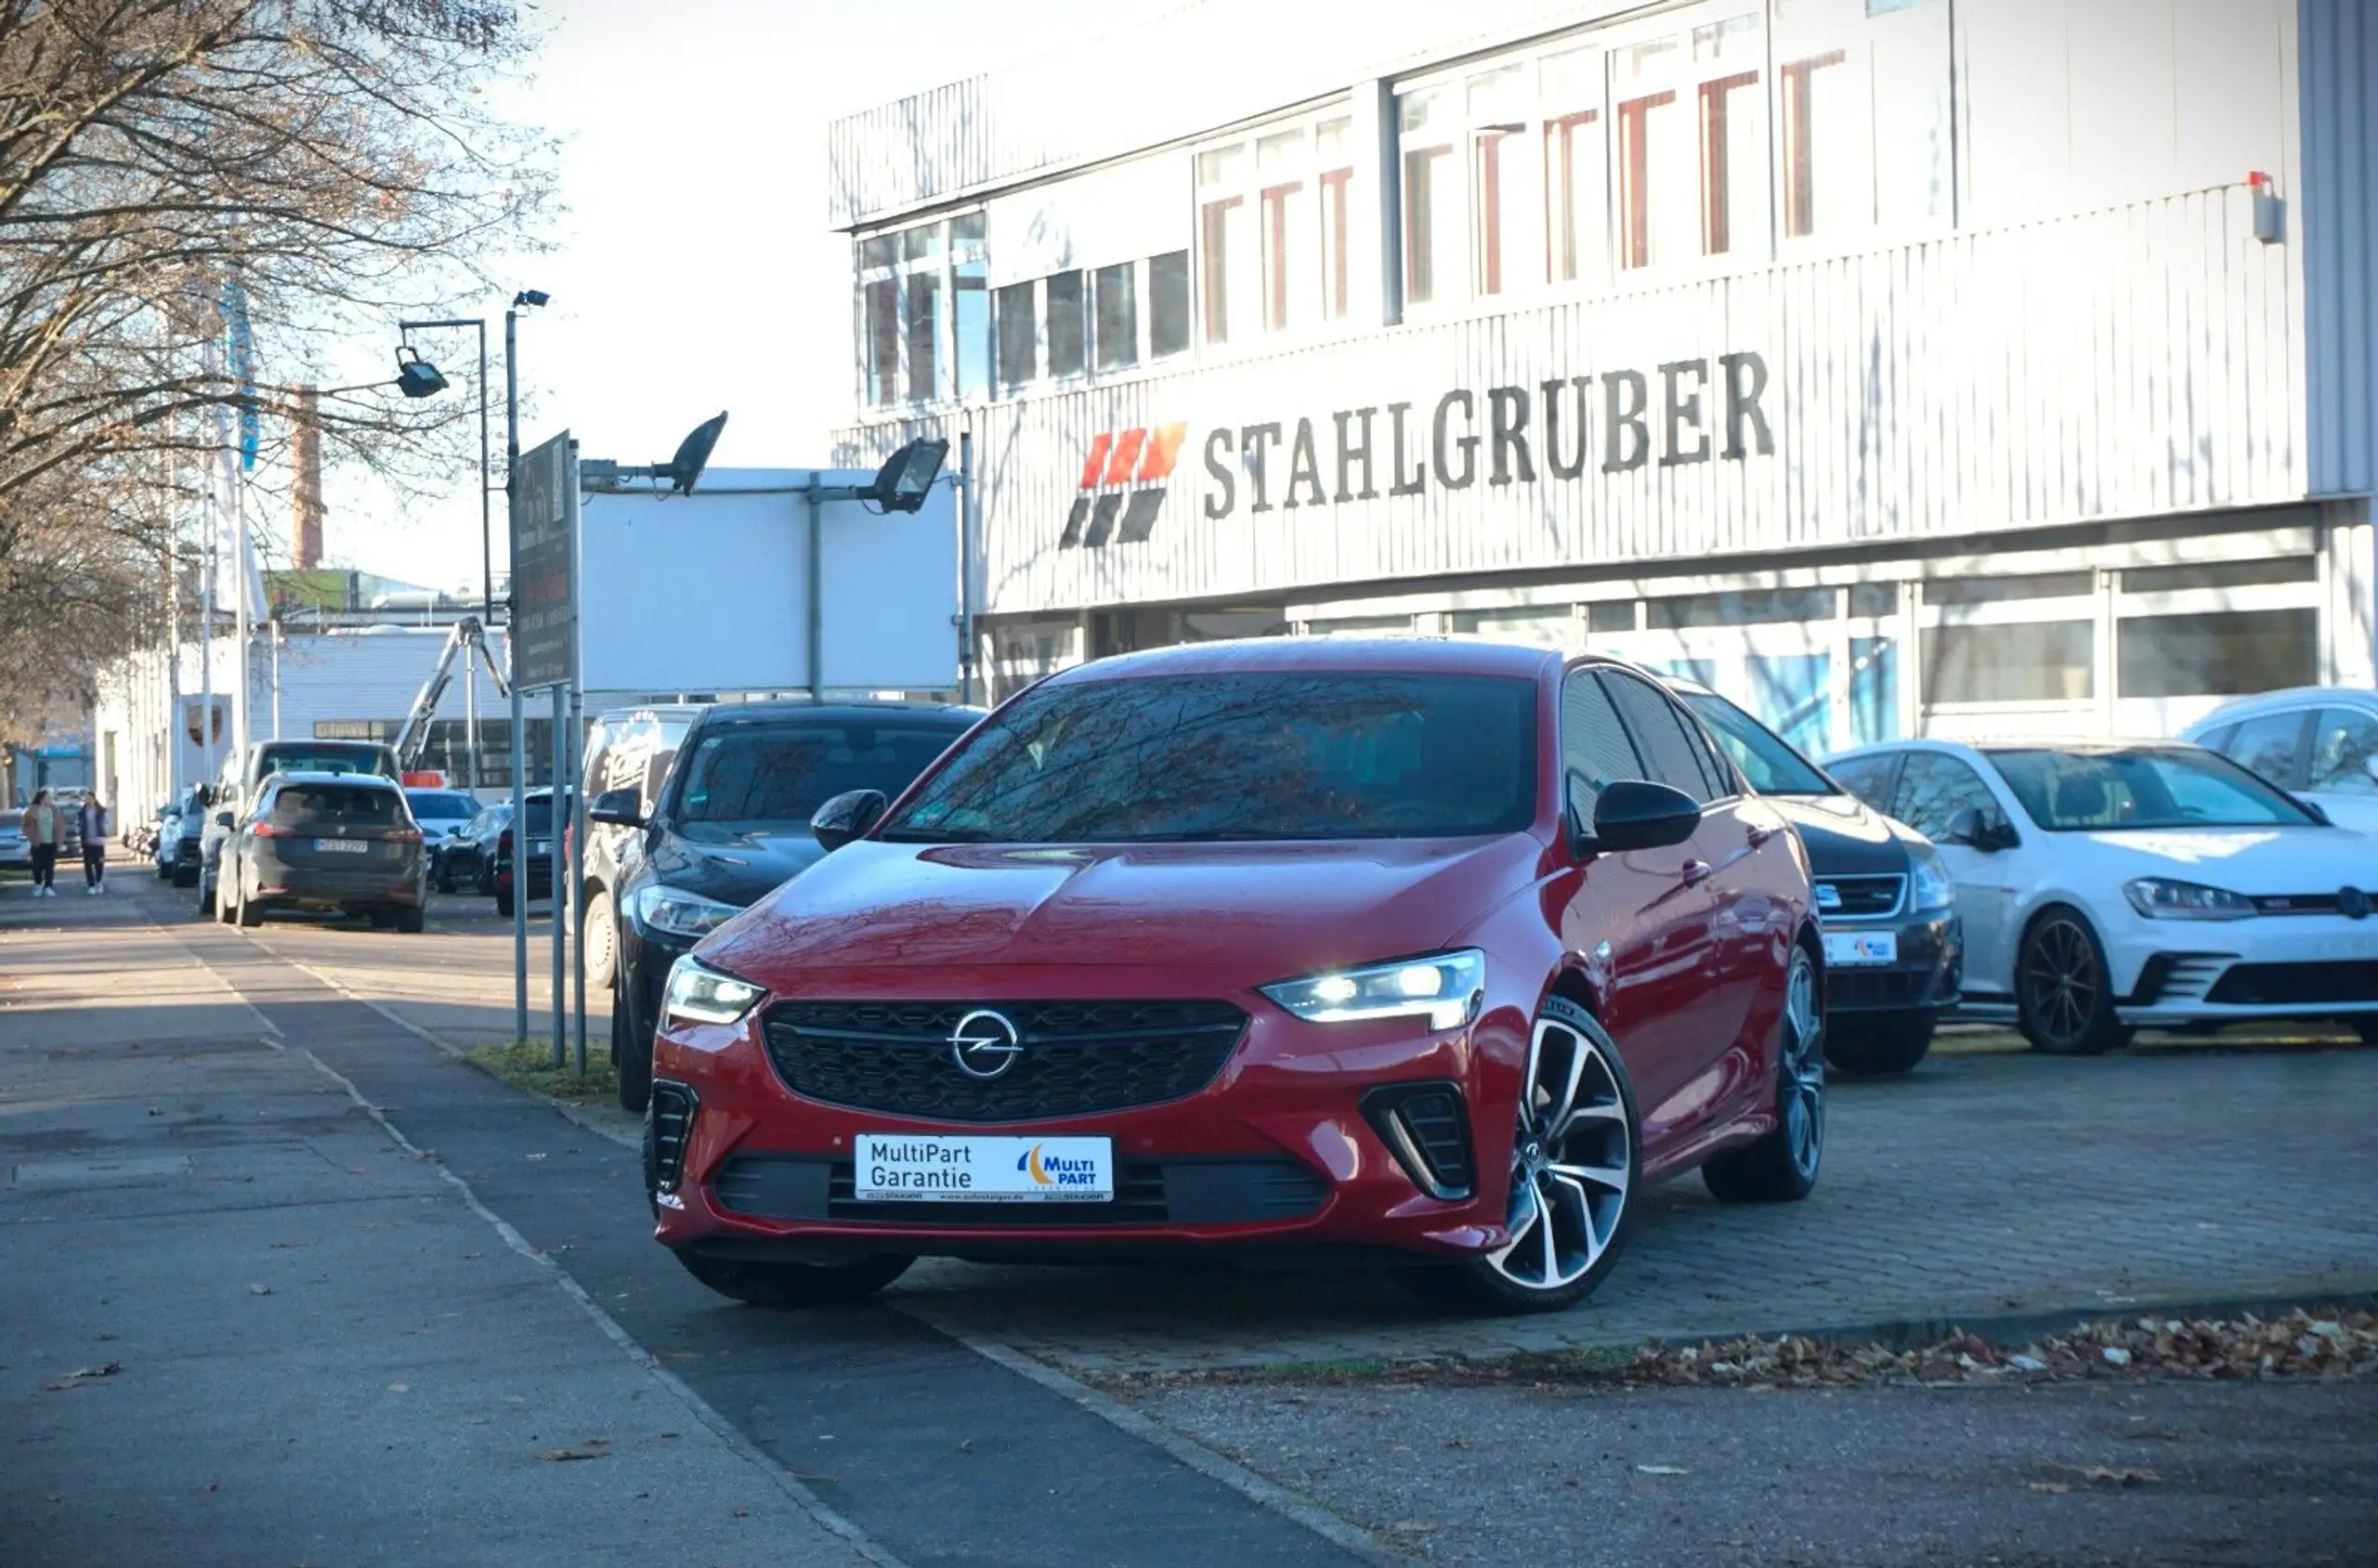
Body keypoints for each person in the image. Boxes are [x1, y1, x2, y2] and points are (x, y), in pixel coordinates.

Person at [23, 788, 62, 897]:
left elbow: (60, 827)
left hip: (51, 843)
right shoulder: (32, 810)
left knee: (49, 866)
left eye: (51, 798)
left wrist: (59, 841)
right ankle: (38, 885)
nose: (50, 800)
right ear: (41, 799)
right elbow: (24, 825)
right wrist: (30, 836)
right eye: (48, 798)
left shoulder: (54, 810)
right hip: (37, 843)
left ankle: (48, 887)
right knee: (37, 866)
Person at [78, 793, 109, 894]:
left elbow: (108, 822)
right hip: (87, 841)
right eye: (87, 799)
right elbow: (79, 824)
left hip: (99, 842)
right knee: (88, 864)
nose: (89, 800)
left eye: (90, 798)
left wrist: (104, 832)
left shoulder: (101, 811)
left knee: (99, 863)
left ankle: (99, 882)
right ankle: (90, 885)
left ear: (95, 799)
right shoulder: (82, 812)